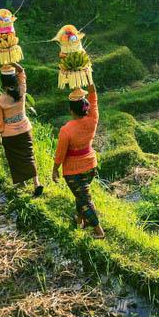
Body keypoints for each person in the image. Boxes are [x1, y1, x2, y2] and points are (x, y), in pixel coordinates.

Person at [52, 84, 105, 239]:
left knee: (84, 201)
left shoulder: (66, 130)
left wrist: (55, 169)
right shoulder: (93, 119)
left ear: (71, 110)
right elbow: (93, 95)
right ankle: (80, 220)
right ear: (85, 107)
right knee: (80, 195)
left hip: (74, 171)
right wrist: (87, 79)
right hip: (90, 167)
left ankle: (99, 231)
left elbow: (60, 153)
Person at [0, 63, 43, 197]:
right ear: (15, 80)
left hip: (9, 134)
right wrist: (12, 62)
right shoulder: (21, 90)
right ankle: (36, 183)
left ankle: (21, 182)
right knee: (29, 156)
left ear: (2, 83)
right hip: (25, 129)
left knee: (14, 158)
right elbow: (22, 72)